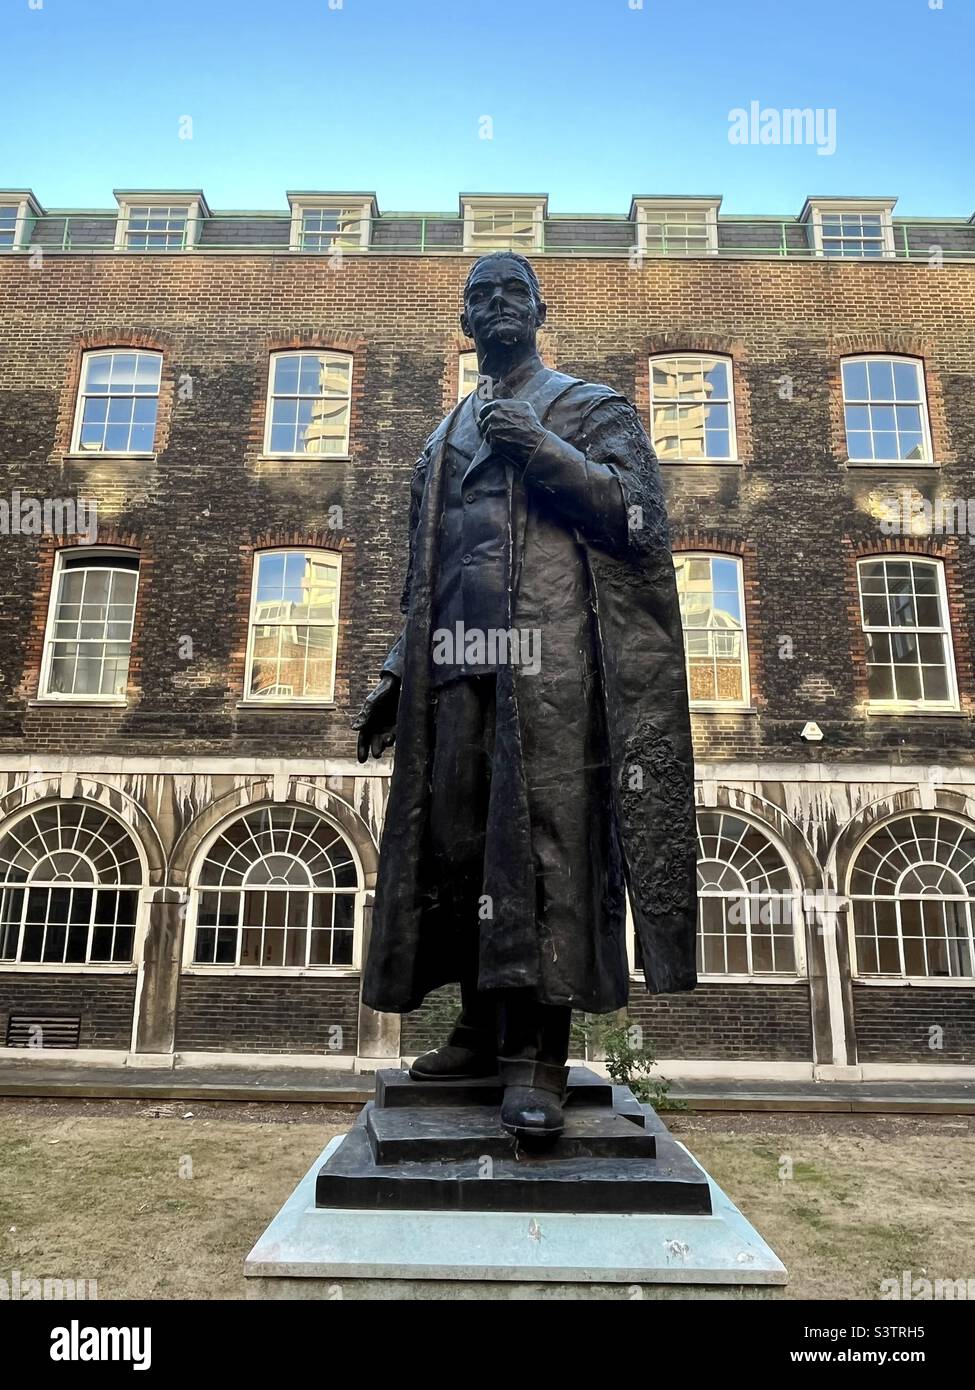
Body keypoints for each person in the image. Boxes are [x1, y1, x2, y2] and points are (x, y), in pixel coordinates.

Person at [353, 251, 696, 1146]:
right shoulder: (439, 438)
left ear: (542, 308)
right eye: (479, 295)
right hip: (457, 670)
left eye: (512, 291)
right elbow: (420, 575)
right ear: (462, 322)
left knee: (543, 858)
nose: (496, 305)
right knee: (460, 851)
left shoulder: (591, 409)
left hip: (551, 677)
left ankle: (538, 1056)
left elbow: (639, 518)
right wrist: (396, 672)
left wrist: (541, 450)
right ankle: (474, 1031)